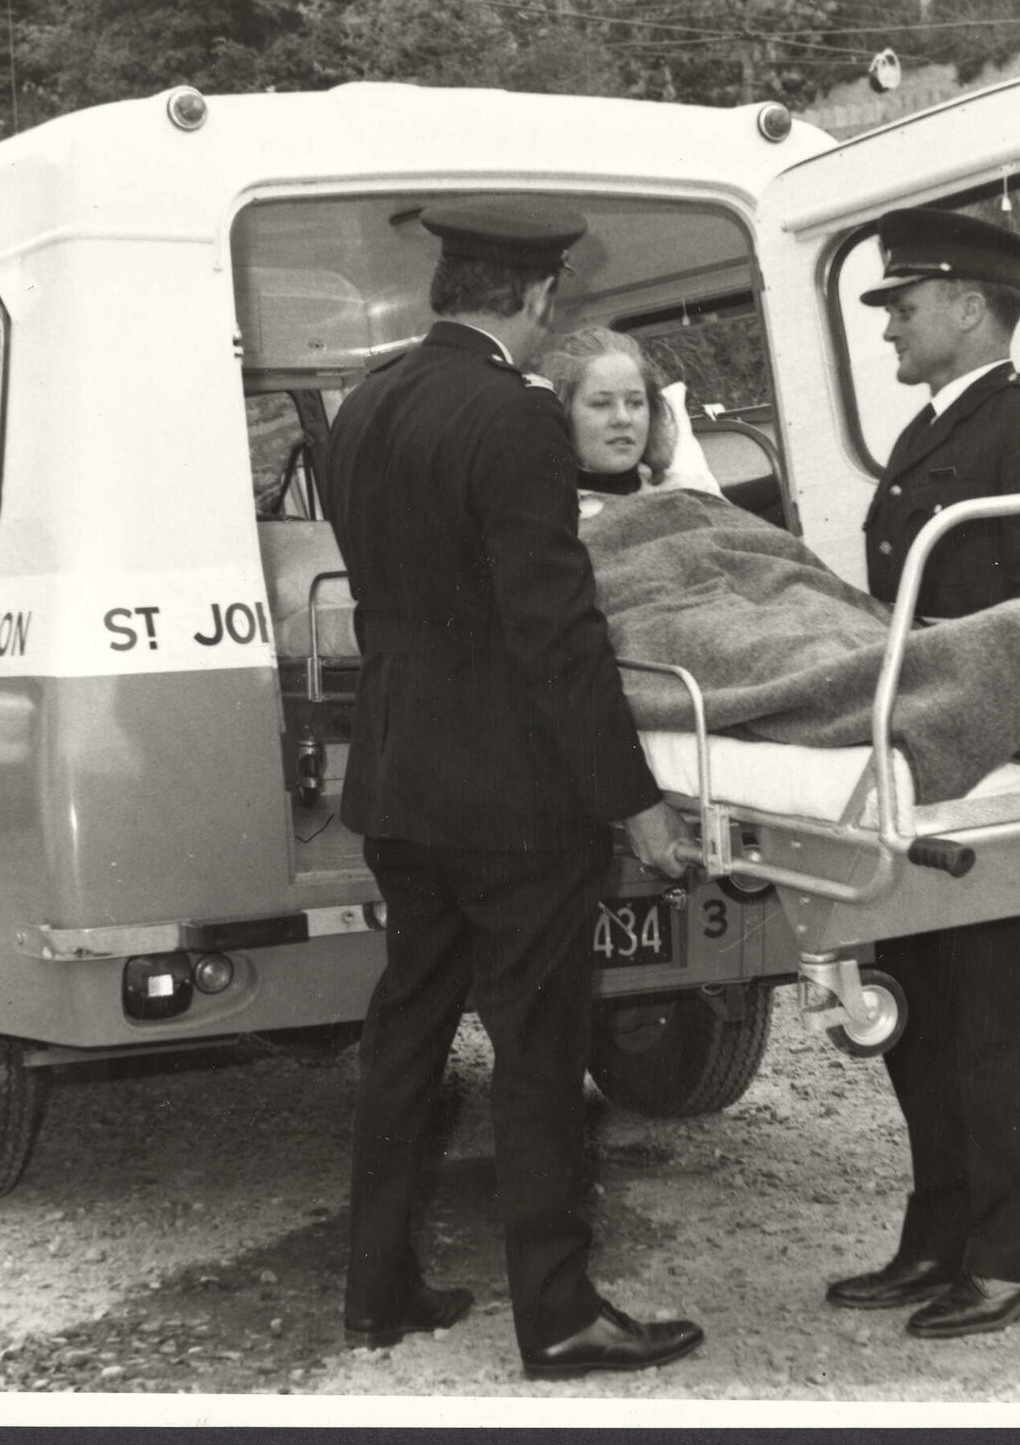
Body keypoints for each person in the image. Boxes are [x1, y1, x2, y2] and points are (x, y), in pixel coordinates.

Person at [321, 195, 705, 1381]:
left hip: (398, 780)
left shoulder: (364, 406)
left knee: (408, 1032)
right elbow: (554, 633)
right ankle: (558, 1317)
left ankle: (375, 1289)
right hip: (509, 800)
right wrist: (631, 795)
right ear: (536, 294)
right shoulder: (516, 417)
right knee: (538, 1050)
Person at [824, 206, 1020, 1340]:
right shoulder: (931, 429)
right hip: (925, 755)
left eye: (901, 303)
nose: (887, 324)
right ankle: (936, 1238)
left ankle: (1005, 1257)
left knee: (992, 1019)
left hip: (993, 763)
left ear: (966, 304)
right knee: (924, 1012)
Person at [528, 326, 723, 508]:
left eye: (635, 403)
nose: (623, 418)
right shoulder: (545, 515)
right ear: (563, 414)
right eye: (601, 404)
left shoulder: (693, 492)